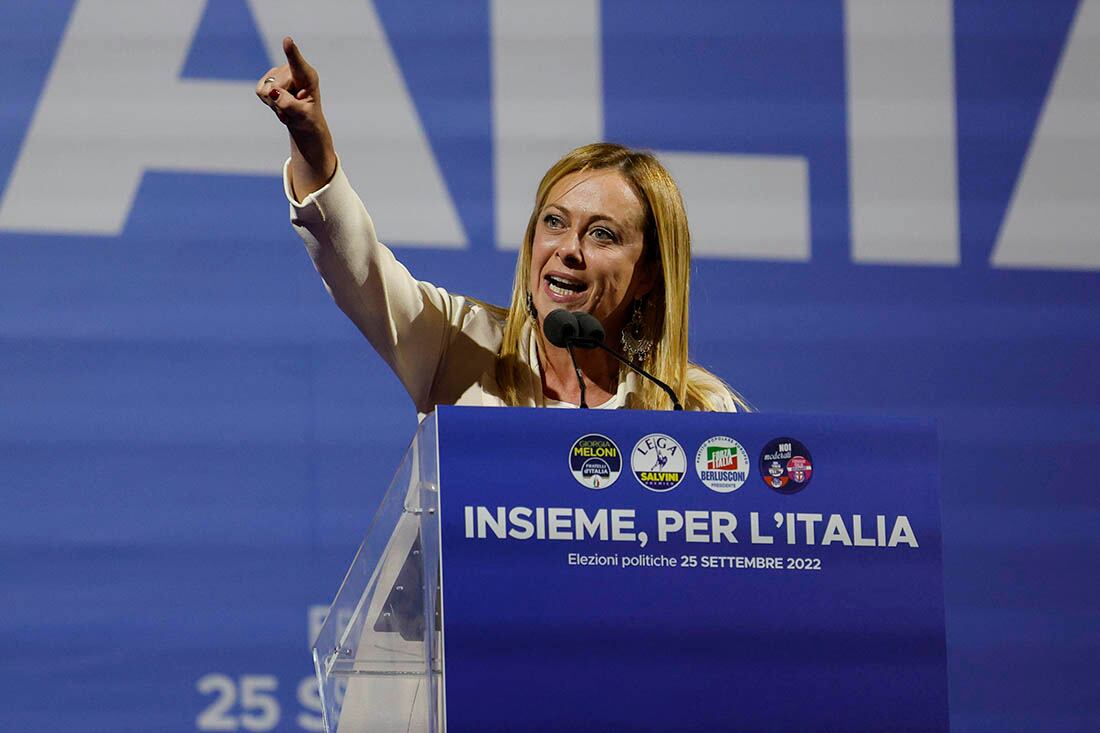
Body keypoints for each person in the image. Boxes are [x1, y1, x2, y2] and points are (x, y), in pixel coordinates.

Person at [257, 37, 747, 418]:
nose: (568, 249)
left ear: (648, 275)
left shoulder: (693, 408)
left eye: (602, 234)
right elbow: (356, 266)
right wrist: (310, 144)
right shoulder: (459, 344)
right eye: (553, 223)